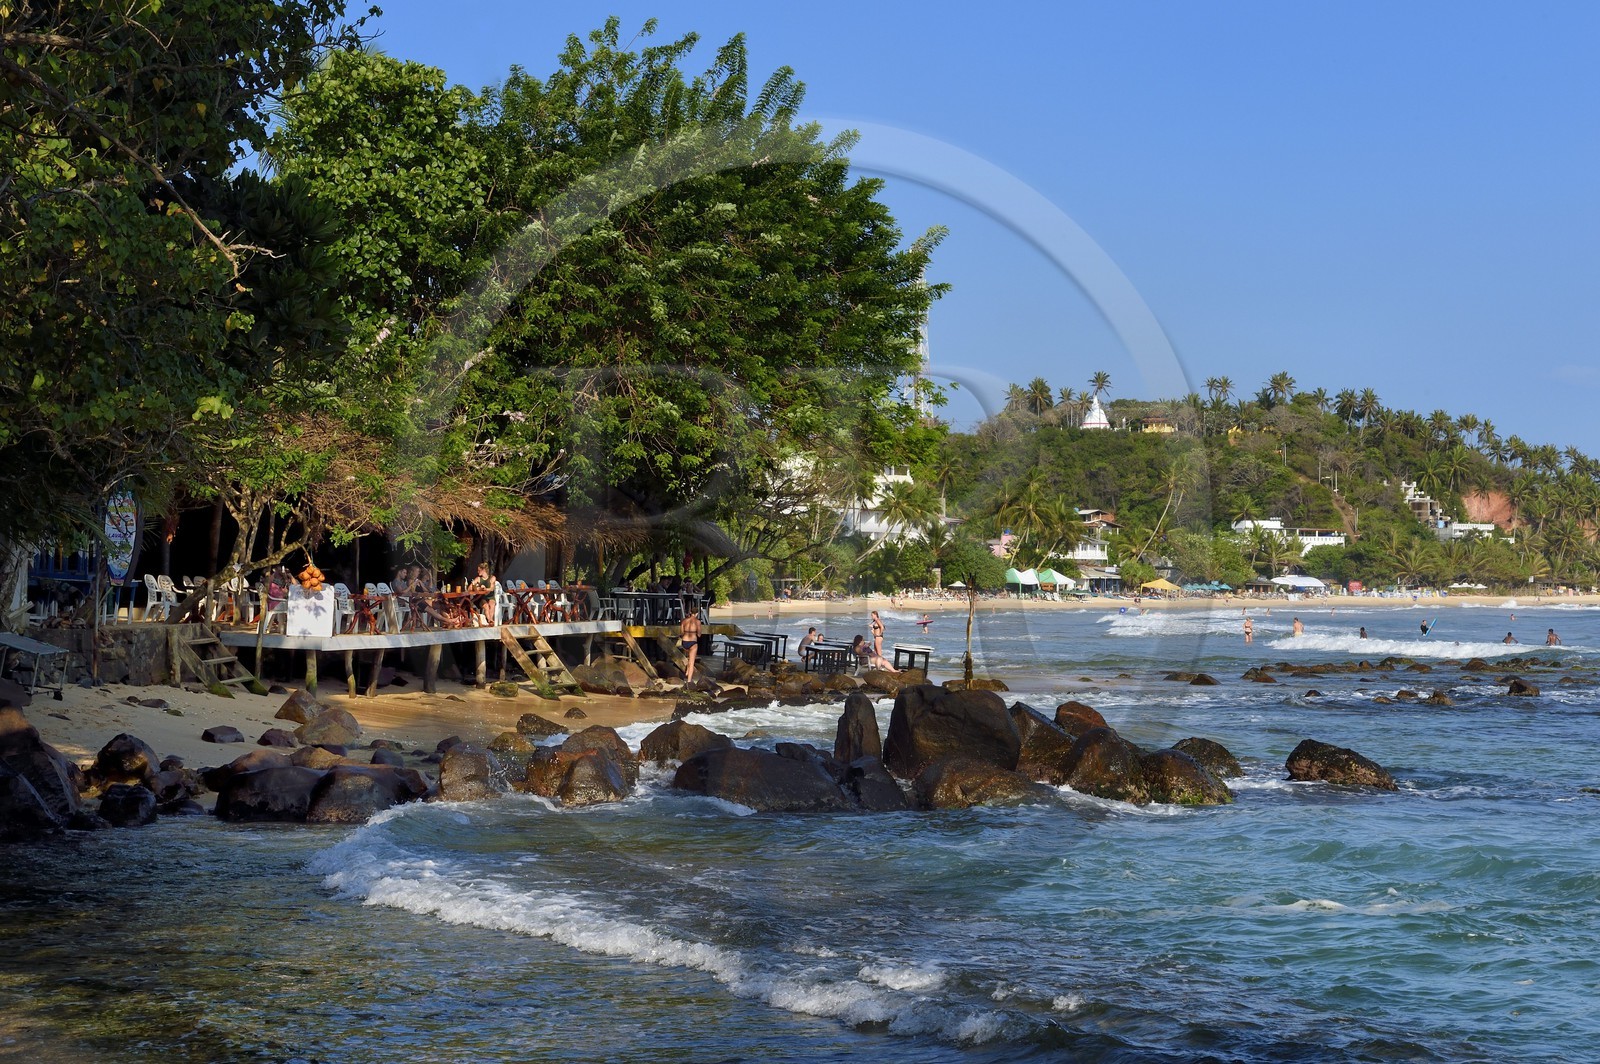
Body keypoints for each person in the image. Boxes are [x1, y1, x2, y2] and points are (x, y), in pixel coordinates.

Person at [467, 561, 500, 626]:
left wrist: (485, 589)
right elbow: (469, 588)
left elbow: (492, 588)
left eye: (479, 570)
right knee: (486, 606)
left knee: (492, 604)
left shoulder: (492, 578)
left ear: (483, 570)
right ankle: (490, 620)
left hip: (490, 596)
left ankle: (490, 620)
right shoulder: (478, 579)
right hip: (481, 597)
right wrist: (477, 588)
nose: (477, 572)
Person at [679, 606, 702, 683]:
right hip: (693, 642)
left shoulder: (684, 621)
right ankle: (689, 681)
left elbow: (681, 633)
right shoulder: (697, 622)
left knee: (689, 658)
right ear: (697, 614)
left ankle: (687, 671)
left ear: (690, 613)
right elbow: (699, 635)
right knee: (691, 662)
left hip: (684, 642)